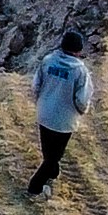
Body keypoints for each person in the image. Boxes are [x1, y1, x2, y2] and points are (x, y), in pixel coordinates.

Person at [28, 29, 91, 196]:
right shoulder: (80, 71)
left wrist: (41, 103)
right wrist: (80, 112)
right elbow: (82, 99)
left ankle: (53, 174)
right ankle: (35, 188)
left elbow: (35, 86)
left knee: (48, 152)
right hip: (64, 121)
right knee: (53, 157)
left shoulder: (48, 61)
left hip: (44, 114)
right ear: (78, 50)